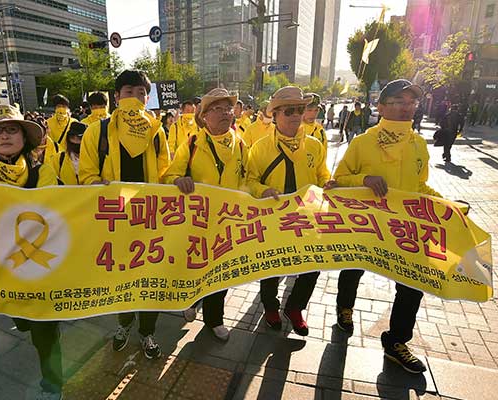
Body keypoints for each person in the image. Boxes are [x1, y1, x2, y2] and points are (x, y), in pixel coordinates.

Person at [333, 79, 439, 374]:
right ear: (380, 107)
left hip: (406, 228)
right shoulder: (363, 142)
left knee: (412, 284)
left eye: (411, 103)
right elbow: (339, 179)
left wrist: (448, 206)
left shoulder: (418, 144)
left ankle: (396, 343)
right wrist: (364, 179)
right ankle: (345, 308)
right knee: (353, 268)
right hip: (366, 226)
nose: (407, 108)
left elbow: (420, 186)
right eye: (398, 102)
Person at [0, 105, 62, 399]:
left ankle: (53, 385)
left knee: (46, 333)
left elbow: (52, 211)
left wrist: (2, 189)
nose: (4, 135)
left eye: (11, 129)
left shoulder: (44, 171)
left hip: (43, 269)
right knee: (24, 322)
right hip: (6, 272)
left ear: (24, 136)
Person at [79, 70, 170, 360]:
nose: (135, 98)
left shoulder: (156, 131)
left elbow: (165, 172)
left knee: (151, 278)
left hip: (150, 220)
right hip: (115, 220)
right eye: (128, 92)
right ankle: (123, 325)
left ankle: (148, 332)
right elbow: (87, 174)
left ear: (147, 97)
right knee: (122, 278)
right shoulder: (99, 131)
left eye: (141, 93)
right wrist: (97, 186)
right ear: (116, 97)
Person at [163, 88, 248, 341]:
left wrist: (257, 194)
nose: (225, 113)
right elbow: (169, 176)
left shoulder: (241, 145)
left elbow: (248, 180)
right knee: (196, 268)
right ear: (204, 117)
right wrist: (179, 180)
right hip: (197, 223)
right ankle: (191, 300)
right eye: (218, 109)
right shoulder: (190, 144)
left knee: (221, 274)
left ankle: (214, 320)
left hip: (227, 222)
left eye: (228, 109)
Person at [246, 86, 331, 336]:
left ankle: (295, 308)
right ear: (275, 115)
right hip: (273, 217)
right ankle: (270, 307)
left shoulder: (315, 146)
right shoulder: (260, 147)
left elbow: (323, 175)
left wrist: (328, 183)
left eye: (300, 109)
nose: (296, 115)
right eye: (289, 110)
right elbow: (249, 180)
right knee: (271, 265)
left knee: (313, 264)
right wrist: (261, 190)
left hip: (307, 216)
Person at [50, 121, 86, 185]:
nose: (75, 141)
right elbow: (51, 181)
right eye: (72, 137)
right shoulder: (58, 159)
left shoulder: (95, 160)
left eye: (79, 138)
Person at [300, 93, 328, 157]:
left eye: (316, 110)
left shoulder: (320, 130)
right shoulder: (293, 128)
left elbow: (323, 154)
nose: (313, 114)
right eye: (309, 110)